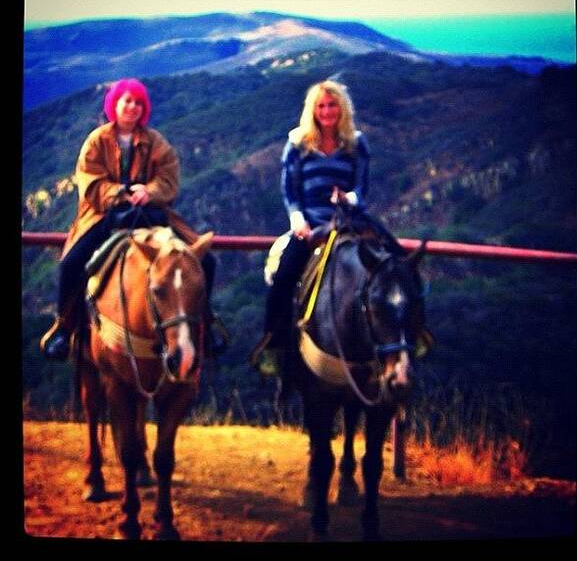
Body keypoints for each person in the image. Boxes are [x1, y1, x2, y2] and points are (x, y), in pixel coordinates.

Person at [250, 79, 421, 389]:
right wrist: (297, 219)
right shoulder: (298, 143)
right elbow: (289, 190)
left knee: (402, 264)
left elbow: (361, 187)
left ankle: (415, 334)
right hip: (311, 221)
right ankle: (274, 346)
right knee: (284, 272)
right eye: (321, 106)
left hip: (351, 218)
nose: (326, 111)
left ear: (341, 109)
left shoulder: (356, 143)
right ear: (312, 110)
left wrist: (348, 199)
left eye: (332, 105)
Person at [40, 78, 226, 360]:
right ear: (114, 104)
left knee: (204, 260)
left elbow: (169, 177)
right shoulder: (97, 140)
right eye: (128, 101)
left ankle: (205, 323)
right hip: (104, 215)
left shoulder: (155, 142)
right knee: (71, 264)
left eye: (139, 103)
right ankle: (64, 327)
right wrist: (121, 193)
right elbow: (90, 182)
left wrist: (149, 191)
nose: (133, 107)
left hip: (148, 214)